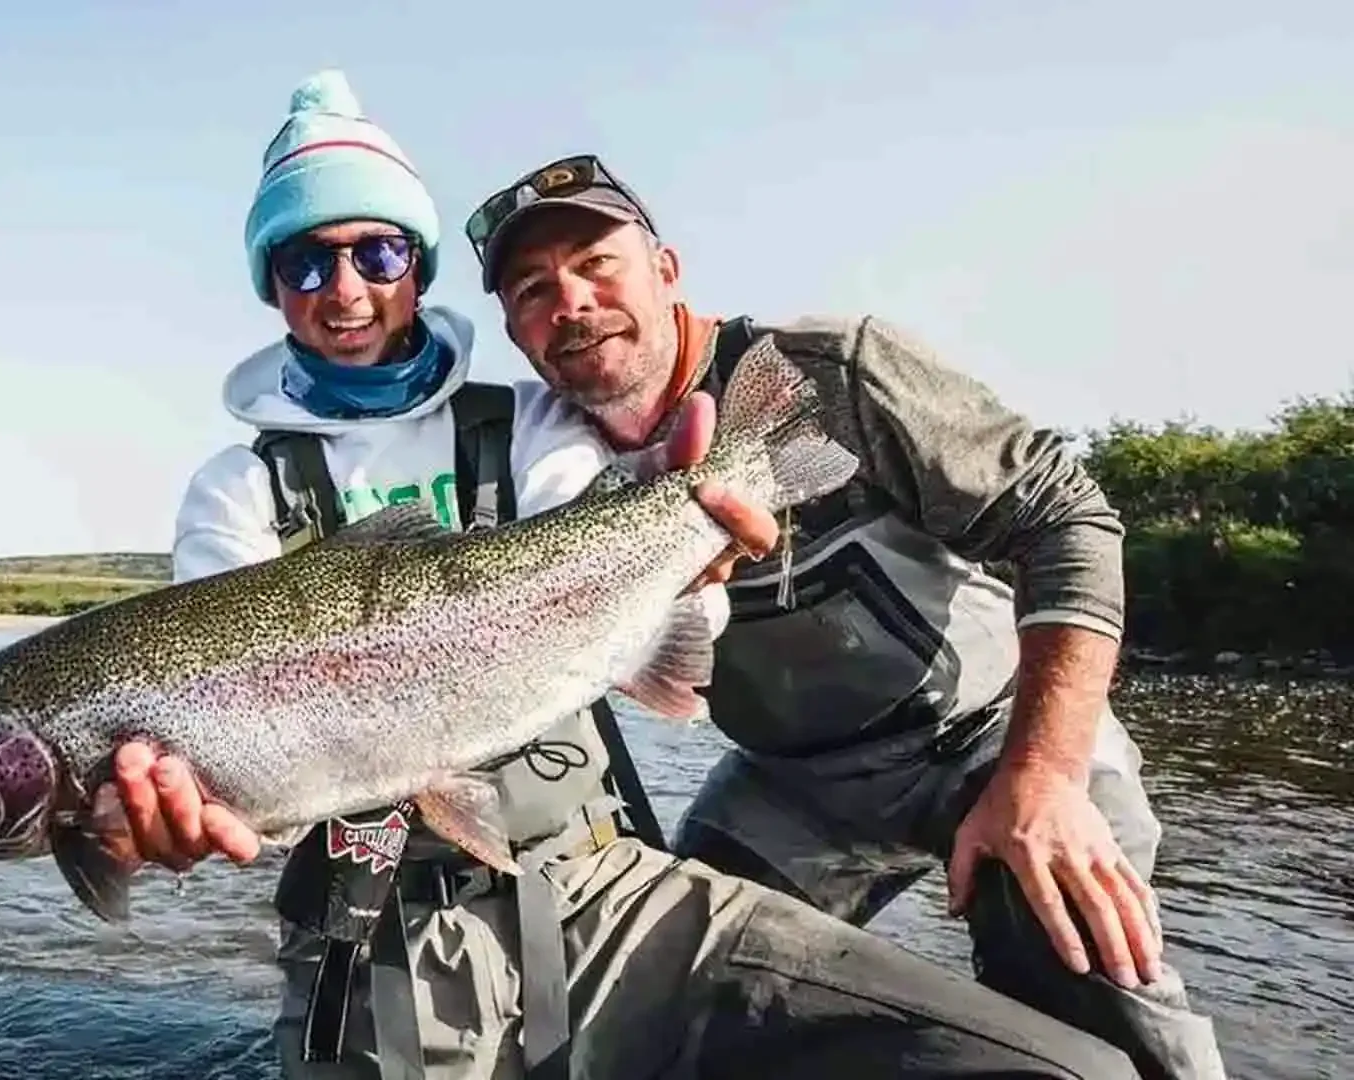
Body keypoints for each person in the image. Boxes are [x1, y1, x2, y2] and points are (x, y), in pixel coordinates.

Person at [93, 70, 1144, 1080]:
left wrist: (700, 546)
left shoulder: (535, 421)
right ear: (273, 290)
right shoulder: (235, 489)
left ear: (416, 263)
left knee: (1069, 1059)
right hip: (373, 917)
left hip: (599, 876)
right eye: (305, 266)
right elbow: (214, 715)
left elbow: (629, 577)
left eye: (375, 251)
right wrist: (173, 810)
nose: (347, 289)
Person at [452, 152, 1230, 1080]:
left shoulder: (829, 370)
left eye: (595, 264)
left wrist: (1047, 774)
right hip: (789, 785)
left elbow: (1066, 518)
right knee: (681, 999)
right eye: (534, 289)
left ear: (665, 271)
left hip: (991, 736)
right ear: (514, 331)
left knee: (1080, 955)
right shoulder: (538, 465)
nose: (570, 301)